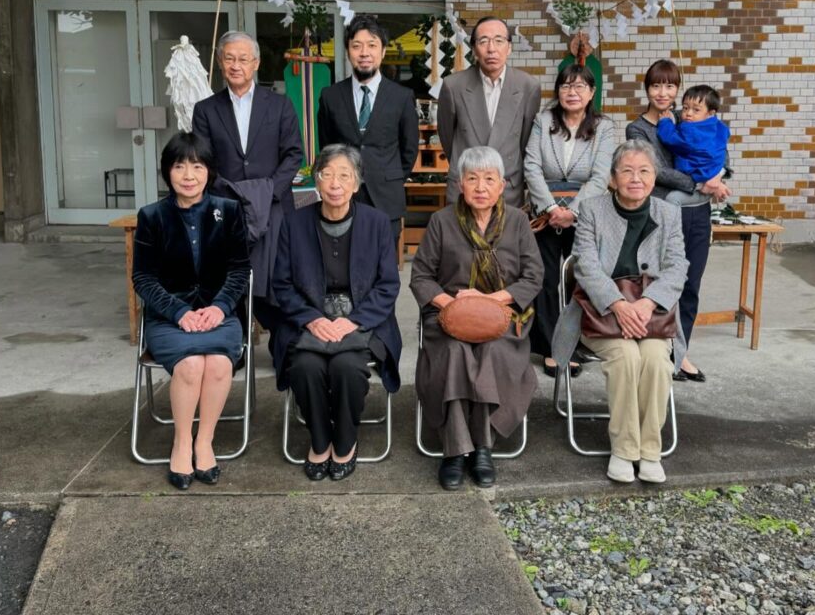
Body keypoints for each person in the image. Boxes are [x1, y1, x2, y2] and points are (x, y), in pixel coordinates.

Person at [552, 140, 688, 485]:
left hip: (651, 316)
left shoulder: (668, 213)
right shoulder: (593, 210)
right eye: (626, 171)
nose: (635, 178)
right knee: (626, 357)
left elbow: (677, 267)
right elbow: (585, 266)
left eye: (644, 171)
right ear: (612, 178)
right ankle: (625, 451)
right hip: (600, 316)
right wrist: (618, 304)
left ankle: (650, 451)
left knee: (657, 359)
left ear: (654, 178)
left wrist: (645, 303)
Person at [411, 146, 543, 491]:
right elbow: (421, 276)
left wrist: (487, 303)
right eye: (472, 179)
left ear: (503, 185)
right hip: (448, 316)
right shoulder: (442, 221)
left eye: (489, 179)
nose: (480, 187)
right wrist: (455, 307)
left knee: (492, 354)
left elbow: (533, 275)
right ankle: (455, 451)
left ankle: (482, 447)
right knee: (454, 355)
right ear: (460, 184)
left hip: (504, 316)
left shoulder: (517, 221)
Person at [270, 144, 401, 482]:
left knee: (347, 366)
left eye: (344, 175)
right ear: (316, 181)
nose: (334, 183)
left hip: (361, 318)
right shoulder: (295, 223)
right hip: (308, 318)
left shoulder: (376, 222)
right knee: (306, 366)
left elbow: (388, 284)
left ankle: (344, 443)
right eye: (326, 174)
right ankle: (319, 441)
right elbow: (281, 285)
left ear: (357, 184)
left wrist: (353, 321)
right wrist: (312, 319)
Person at [132, 133, 251, 490]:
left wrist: (220, 307)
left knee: (216, 363)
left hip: (218, 314)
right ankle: (182, 443)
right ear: (167, 171)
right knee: (189, 364)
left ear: (209, 171)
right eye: (179, 165)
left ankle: (205, 442)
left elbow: (239, 268)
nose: (188, 174)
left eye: (197, 166)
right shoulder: (152, 216)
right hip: (170, 318)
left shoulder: (228, 211)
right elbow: (143, 277)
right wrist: (179, 311)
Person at [626, 60, 730, 383]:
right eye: (656, 86)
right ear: (647, 89)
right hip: (661, 213)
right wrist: (701, 183)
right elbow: (656, 172)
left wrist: (720, 174)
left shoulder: (690, 119)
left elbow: (722, 152)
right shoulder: (638, 129)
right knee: (662, 284)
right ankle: (659, 350)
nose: (663, 92)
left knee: (691, 285)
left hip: (697, 212)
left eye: (670, 86)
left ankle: (680, 353)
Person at [192, 30, 303, 329]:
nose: (236, 65)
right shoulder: (206, 109)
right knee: (230, 277)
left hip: (275, 205)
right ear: (219, 62)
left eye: (243, 59)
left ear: (255, 63)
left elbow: (294, 154)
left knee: (278, 277)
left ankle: (282, 343)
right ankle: (236, 344)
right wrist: (235, 196)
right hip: (226, 206)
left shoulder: (279, 105)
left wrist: (266, 193)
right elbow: (204, 162)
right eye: (229, 58)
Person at [523, 63, 614, 377]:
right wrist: (550, 209)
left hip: (585, 214)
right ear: (557, 91)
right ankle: (551, 346)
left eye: (579, 87)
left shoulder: (604, 127)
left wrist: (571, 211)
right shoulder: (543, 120)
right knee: (545, 279)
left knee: (580, 280)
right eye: (565, 86)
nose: (572, 92)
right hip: (544, 213)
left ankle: (578, 341)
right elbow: (531, 167)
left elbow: (601, 176)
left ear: (591, 93)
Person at [317, 14, 419, 248]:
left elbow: (409, 149)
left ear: (382, 51)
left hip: (386, 197)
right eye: (357, 46)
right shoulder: (330, 96)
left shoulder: (401, 97)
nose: (364, 53)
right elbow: (327, 148)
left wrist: (388, 176)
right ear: (348, 52)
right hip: (342, 196)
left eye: (372, 45)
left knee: (383, 268)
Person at [437, 15, 541, 207]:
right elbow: (447, 137)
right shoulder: (453, 86)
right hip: (465, 187)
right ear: (474, 49)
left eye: (499, 41)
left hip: (507, 186)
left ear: (509, 47)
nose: (491, 49)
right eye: (483, 41)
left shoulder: (528, 86)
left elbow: (526, 140)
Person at [656, 85, 731, 206]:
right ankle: (717, 186)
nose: (688, 113)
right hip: (714, 168)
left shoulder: (691, 130)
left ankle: (706, 186)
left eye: (696, 110)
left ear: (710, 113)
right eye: (685, 108)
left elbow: (670, 139)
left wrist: (665, 122)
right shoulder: (720, 127)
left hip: (698, 172)